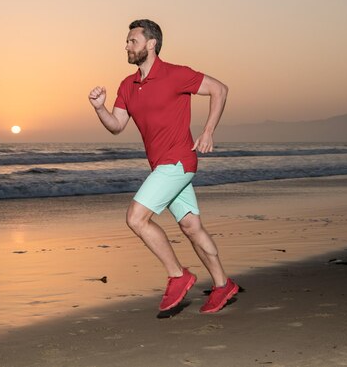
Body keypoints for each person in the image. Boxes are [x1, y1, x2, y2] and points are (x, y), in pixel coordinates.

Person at [88, 19, 238, 313]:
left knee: (136, 218)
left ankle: (178, 275)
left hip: (179, 160)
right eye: (127, 41)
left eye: (133, 41)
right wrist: (99, 108)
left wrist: (208, 131)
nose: (127, 46)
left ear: (151, 44)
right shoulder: (127, 85)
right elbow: (116, 125)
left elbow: (220, 89)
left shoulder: (176, 74)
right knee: (191, 226)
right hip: (163, 166)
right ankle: (223, 286)